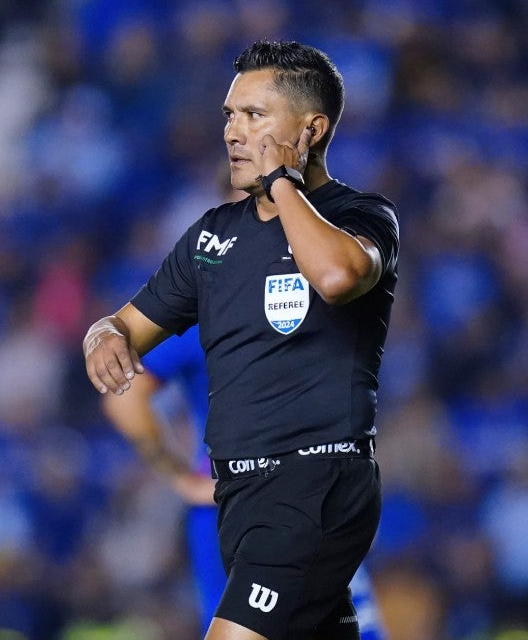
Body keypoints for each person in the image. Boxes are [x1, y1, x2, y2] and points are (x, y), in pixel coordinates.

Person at [84, 40, 399, 640]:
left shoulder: (362, 216)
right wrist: (101, 336)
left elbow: (337, 277)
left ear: (311, 130)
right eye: (230, 115)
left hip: (313, 487)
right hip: (239, 498)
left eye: (254, 115)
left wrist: (283, 183)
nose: (232, 131)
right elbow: (124, 325)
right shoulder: (212, 239)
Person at [101, 322, 388, 639]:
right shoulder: (209, 315)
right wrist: (184, 480)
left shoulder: (210, 311)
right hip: (268, 502)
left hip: (288, 500)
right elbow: (124, 397)